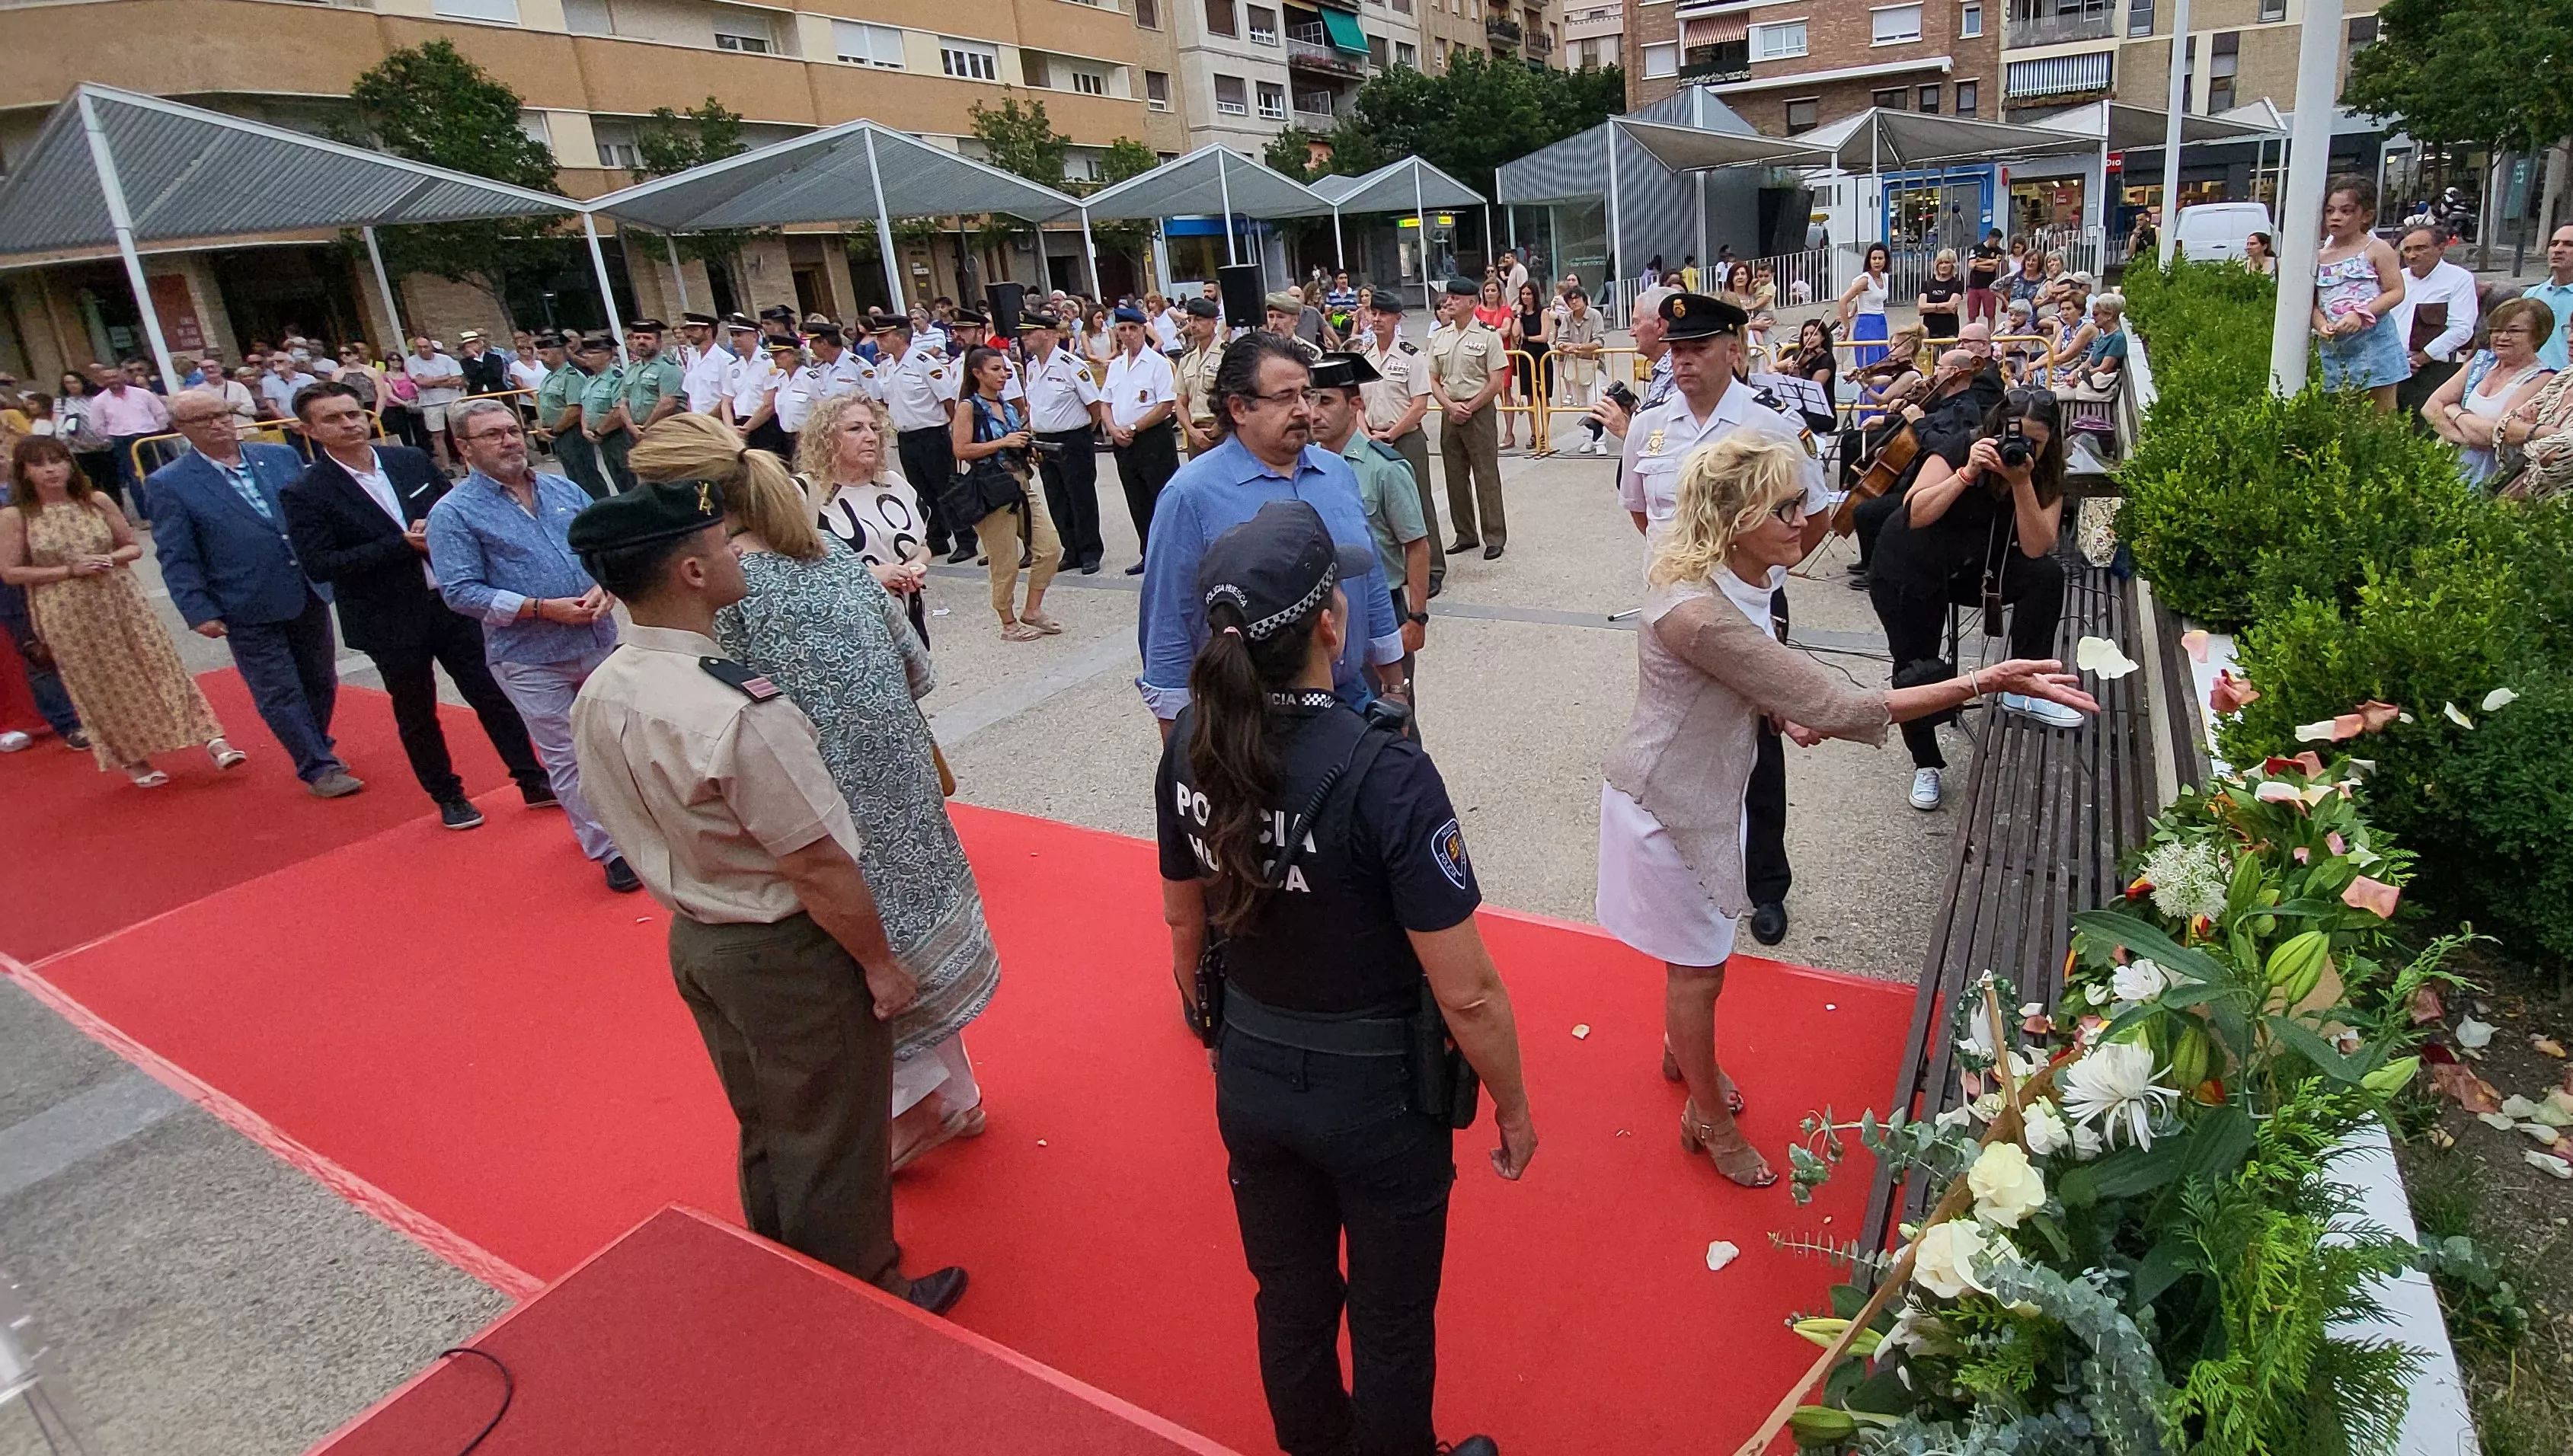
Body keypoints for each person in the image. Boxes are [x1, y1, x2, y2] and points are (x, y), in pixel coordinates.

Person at [1603, 433, 2094, 1183]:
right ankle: (1708, 1117)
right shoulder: (1701, 611)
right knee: (1699, 972)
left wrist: (1777, 708)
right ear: (1736, 519)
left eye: (1803, 499)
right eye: (1787, 506)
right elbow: (1833, 703)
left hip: (1706, 787)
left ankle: (1685, 1054)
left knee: (1701, 960)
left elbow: (1746, 684)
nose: (1809, 516)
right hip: (1671, 808)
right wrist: (1986, 681)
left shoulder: (1738, 576)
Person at [1157, 499, 1529, 1456]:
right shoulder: (1387, 771)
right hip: (1377, 1093)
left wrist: (1215, 1032)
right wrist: (1514, 1103)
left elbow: (1182, 918)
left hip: (1254, 1061)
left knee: (1289, 1294)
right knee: (1392, 1317)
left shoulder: (1190, 746)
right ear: (1331, 623)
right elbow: (1469, 989)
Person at [563, 479, 969, 1315]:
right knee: (834, 1126)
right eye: (719, 544)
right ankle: (865, 1281)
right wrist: (880, 965)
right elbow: (818, 863)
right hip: (782, 943)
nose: (733, 552)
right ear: (690, 572)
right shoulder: (737, 707)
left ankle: (785, 1247)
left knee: (766, 1113)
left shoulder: (608, 685)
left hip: (699, 932)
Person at [631, 418, 1002, 1171]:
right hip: (897, 782)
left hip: (824, 805)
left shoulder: (716, 590)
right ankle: (958, 1096)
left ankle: (915, 1113)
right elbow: (915, 667)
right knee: (908, 942)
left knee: (862, 968)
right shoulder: (825, 551)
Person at [281, 381, 553, 828]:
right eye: (333, 418)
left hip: (453, 600)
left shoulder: (406, 461)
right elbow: (320, 563)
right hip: (386, 615)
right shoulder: (307, 490)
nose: (349, 424)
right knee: (416, 708)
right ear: (309, 430)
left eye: (354, 413)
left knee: (490, 692)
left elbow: (457, 509)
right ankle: (448, 794)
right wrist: (401, 545)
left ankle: (531, 777)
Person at [1136, 334, 1406, 736]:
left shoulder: (1337, 474)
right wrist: (1179, 749)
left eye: (1308, 395)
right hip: (1251, 720)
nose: (1304, 411)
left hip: (1348, 701)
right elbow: (1170, 622)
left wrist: (1394, 687)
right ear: (1239, 408)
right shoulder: (1190, 496)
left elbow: (1369, 580)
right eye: (1285, 398)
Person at [426, 398, 638, 892]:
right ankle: (610, 851)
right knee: (569, 755)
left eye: (513, 430)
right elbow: (460, 592)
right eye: (493, 435)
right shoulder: (454, 514)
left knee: (623, 740)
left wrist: (606, 586)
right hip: (529, 656)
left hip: (598, 639)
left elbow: (602, 546)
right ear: (464, 448)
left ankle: (644, 827)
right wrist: (540, 608)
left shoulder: (563, 489)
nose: (509, 441)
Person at [1866, 388, 2081, 813]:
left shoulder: (2048, 470)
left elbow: (2038, 547)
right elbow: (1916, 513)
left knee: (2045, 576)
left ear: (2051, 441)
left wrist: (2021, 482)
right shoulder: (1961, 446)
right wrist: (1966, 473)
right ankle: (1925, 764)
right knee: (1916, 667)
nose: (2018, 446)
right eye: (2011, 436)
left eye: (2034, 441)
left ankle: (2025, 689)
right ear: (1994, 428)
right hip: (1909, 566)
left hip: (1977, 567)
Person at [147, 388, 360, 797]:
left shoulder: (279, 457)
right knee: (277, 688)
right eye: (204, 419)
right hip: (242, 599)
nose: (218, 423)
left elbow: (312, 515)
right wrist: (197, 608)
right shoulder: (170, 484)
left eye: (222, 413)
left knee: (320, 678)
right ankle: (317, 765)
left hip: (305, 587)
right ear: (181, 430)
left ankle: (315, 742)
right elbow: (176, 553)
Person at [1, 436, 235, 786]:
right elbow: (10, 571)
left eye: (58, 460)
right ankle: (132, 759)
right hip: (63, 607)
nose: (51, 470)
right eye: (39, 464)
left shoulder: (95, 500)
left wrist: (110, 558)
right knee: (96, 682)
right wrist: (69, 570)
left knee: (159, 662)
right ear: (24, 472)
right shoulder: (16, 516)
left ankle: (213, 739)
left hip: (120, 596)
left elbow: (131, 546)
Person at [1310, 353, 1430, 714]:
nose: (1314, 412)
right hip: (1323, 615)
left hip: (1378, 610)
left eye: (1327, 401)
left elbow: (1417, 545)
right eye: (1309, 399)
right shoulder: (1306, 467)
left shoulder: (1385, 468)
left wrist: (1417, 617)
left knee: (1392, 719)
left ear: (1355, 405)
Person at [951, 344, 1065, 640]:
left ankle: (1033, 609)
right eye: (995, 369)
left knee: (1049, 547)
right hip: (991, 490)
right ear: (977, 374)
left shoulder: (1009, 407)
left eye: (1004, 369)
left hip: (1019, 484)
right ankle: (1008, 623)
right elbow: (961, 450)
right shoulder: (969, 407)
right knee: (1005, 562)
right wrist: (1002, 443)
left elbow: (1017, 443)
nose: (1003, 375)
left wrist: (1027, 451)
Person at [802, 393, 932, 644]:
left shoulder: (893, 483)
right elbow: (792, 573)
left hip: (906, 621)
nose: (871, 437)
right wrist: (871, 575)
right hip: (845, 634)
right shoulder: (804, 493)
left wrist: (914, 567)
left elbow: (924, 546)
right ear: (827, 439)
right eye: (855, 429)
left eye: (874, 428)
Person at [1353, 296, 1446, 594]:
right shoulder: (1364, 356)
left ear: (1398, 319)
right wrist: (1366, 433)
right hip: (1372, 437)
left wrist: (1392, 433)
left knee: (1418, 502)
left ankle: (1432, 568)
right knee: (1379, 506)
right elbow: (1357, 403)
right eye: (1374, 313)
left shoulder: (1411, 356)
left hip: (1406, 438)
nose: (1377, 319)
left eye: (1384, 315)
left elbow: (1419, 405)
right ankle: (1398, 567)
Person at [2424, 296, 2555, 487]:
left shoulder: (2542, 378)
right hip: (2449, 467)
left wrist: (2455, 411)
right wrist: (2462, 438)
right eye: (2496, 330)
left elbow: (2496, 434)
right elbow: (2430, 407)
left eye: (2514, 331)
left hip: (2493, 476)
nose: (2502, 337)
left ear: (2537, 336)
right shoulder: (2481, 362)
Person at [1018, 308, 1108, 576]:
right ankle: (1071, 550)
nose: (1024, 339)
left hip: (1073, 438)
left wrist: (1083, 435)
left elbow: (1094, 406)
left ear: (1047, 334)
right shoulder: (1032, 367)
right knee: (1056, 497)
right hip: (1044, 440)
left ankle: (1090, 551)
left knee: (1081, 497)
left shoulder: (1071, 365)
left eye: (1029, 333)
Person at [1427, 279, 1511, 560]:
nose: (1448, 303)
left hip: (1479, 411)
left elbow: (1496, 381)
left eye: (1455, 299)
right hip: (1449, 411)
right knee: (1454, 475)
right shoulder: (1440, 337)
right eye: (1448, 298)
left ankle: (1494, 536)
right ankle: (1465, 534)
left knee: (1486, 475)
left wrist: (1469, 406)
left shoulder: (1488, 336)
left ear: (1471, 303)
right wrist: (1450, 406)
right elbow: (1433, 379)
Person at [2313, 174, 2411, 410]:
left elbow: (2396, 291)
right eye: (2330, 211)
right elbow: (2311, 304)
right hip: (2336, 346)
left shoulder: (2377, 249)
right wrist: (2320, 325)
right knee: (2344, 414)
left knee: (2381, 416)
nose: (2336, 217)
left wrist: (2361, 313)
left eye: (2346, 211)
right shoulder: (2317, 257)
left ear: (2365, 215)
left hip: (2375, 344)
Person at [880, 315, 965, 563]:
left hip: (932, 434)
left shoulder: (924, 362)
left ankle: (965, 538)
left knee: (945, 488)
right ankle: (938, 538)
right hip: (906, 436)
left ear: (900, 336)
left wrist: (951, 430)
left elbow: (948, 399)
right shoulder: (886, 366)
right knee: (921, 492)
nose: (879, 341)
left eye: (884, 336)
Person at [1104, 305, 1181, 575]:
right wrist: (1113, 428)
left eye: (1133, 329)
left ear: (1143, 331)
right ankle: (1147, 553)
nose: (1128, 334)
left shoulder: (1158, 364)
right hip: (1123, 441)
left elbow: (1165, 405)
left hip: (1152, 439)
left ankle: (1170, 555)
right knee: (1136, 499)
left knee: (1160, 497)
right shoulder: (1115, 366)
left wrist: (1134, 427)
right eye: (1122, 329)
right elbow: (1105, 403)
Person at [2393, 225, 2481, 421]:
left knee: (2425, 432)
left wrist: (2421, 359)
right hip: (2391, 369)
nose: (2412, 255)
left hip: (2432, 369)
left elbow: (2461, 329)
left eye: (2420, 248)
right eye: (2407, 250)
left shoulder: (2459, 279)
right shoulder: (2397, 279)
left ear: (2441, 248)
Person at [85, 365, 170, 522]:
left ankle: (169, 511)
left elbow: (161, 414)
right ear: (103, 381)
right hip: (124, 441)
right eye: (108, 378)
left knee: (160, 473)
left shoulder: (143, 394)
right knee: (135, 479)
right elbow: (97, 426)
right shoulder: (99, 401)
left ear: (122, 376)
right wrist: (113, 437)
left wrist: (156, 430)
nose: (112, 381)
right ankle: (146, 516)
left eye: (115, 376)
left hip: (149, 437)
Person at [401, 336, 467, 468]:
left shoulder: (446, 359)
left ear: (431, 347)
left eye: (425, 346)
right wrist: (446, 378)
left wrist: (433, 382)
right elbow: (421, 382)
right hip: (430, 403)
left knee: (460, 432)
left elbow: (458, 381)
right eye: (419, 347)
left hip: (452, 400)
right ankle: (446, 466)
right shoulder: (412, 362)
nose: (422, 350)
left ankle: (468, 463)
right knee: (437, 435)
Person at [1470, 278, 1520, 452]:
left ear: (1499, 292)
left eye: (1493, 290)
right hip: (1479, 357)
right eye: (1487, 290)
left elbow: (1506, 330)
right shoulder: (1476, 311)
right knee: (1480, 393)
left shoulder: (1505, 310)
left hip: (1502, 356)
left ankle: (1509, 433)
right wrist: (1493, 332)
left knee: (1504, 393)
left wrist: (1486, 332)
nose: (1490, 294)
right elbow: (1472, 330)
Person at [2060, 293, 2130, 401]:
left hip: (2095, 387)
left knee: (2050, 395)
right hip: (2087, 382)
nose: (2093, 317)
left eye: (2096, 314)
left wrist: (2080, 375)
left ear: (2109, 315)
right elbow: (2089, 361)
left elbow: (2105, 368)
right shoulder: (2104, 335)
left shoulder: (2118, 338)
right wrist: (2076, 371)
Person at [2524, 226, 2573, 371]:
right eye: (2554, 244)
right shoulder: (2531, 295)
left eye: (2569, 244)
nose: (2557, 250)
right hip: (2531, 381)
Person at [1838, 244, 1894, 369]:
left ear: (1886, 260)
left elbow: (1861, 297)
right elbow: (1843, 300)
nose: (1877, 262)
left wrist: (1852, 312)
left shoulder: (1885, 277)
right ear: (1869, 260)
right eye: (1874, 259)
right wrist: (1846, 327)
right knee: (1870, 363)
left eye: (1880, 258)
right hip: (1866, 323)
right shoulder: (1864, 280)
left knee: (1883, 361)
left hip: (1881, 322)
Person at [1511, 280, 1551, 452]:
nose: (1525, 297)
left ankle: (1544, 433)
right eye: (1523, 294)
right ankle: (1534, 432)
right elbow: (1515, 334)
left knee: (1543, 397)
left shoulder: (1543, 313)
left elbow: (1544, 337)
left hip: (1541, 354)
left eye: (1528, 294)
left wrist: (1526, 338)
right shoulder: (1521, 314)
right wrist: (1518, 316)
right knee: (1530, 397)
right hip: (1526, 357)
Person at [679, 312, 737, 415]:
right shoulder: (693, 359)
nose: (689, 334)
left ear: (708, 331)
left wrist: (709, 420)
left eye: (694, 330)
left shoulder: (725, 360)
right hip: (696, 421)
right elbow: (690, 393)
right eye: (688, 330)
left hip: (716, 422)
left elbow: (728, 398)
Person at [1917, 249, 1964, 344]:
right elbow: (1922, 308)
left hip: (1950, 331)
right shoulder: (1927, 284)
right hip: (1930, 330)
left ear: (1953, 265)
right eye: (1941, 263)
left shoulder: (1957, 284)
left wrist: (1931, 307)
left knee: (1949, 359)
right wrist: (1941, 307)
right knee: (1930, 359)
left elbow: (1951, 308)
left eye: (1947, 262)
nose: (1943, 266)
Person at [1964, 228, 2006, 327]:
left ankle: (1990, 336)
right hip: (1974, 286)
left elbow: (1992, 268)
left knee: (1990, 314)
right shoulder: (1976, 248)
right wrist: (1988, 262)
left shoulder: (1998, 251)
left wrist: (1979, 262)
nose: (1997, 243)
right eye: (1996, 240)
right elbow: (1971, 265)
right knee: (1972, 315)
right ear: (1990, 238)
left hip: (1989, 286)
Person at [456, 330, 513, 398]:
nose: (469, 347)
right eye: (467, 346)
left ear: (480, 344)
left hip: (499, 393)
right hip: (477, 395)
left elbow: (495, 375)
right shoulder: (464, 362)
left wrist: (479, 366)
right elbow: (472, 376)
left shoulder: (495, 358)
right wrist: (476, 358)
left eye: (472, 344)